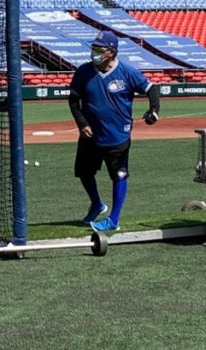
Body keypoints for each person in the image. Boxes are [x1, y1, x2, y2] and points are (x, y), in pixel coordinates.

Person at [68, 30, 160, 232]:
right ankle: (97, 204)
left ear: (111, 52)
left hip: (117, 136)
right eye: (93, 48)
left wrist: (154, 110)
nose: (94, 52)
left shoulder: (127, 72)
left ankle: (114, 219)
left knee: (119, 175)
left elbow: (151, 89)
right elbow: (73, 101)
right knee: (84, 173)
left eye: (98, 49)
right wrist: (82, 123)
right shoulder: (83, 72)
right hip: (90, 135)